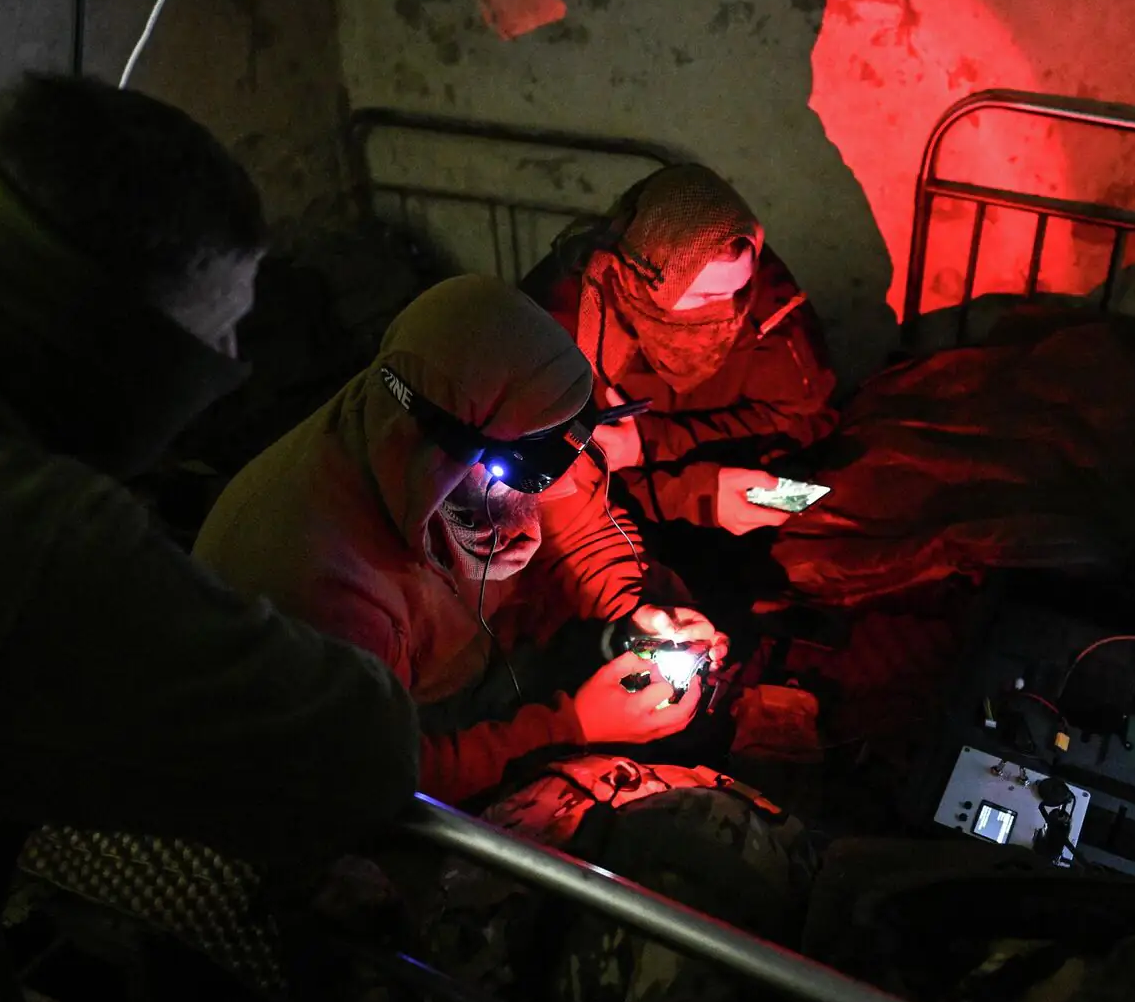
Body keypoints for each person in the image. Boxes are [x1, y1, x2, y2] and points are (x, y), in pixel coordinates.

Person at [0, 74, 428, 1002]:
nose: (234, 361)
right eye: (216, 337)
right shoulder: (6, 530)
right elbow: (353, 753)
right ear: (113, 341)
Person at [193, 274, 717, 807]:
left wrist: (631, 608)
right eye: (529, 472)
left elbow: (570, 511)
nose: (548, 487)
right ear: (442, 457)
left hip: (478, 658)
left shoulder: (472, 424)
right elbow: (391, 773)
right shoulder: (328, 594)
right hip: (395, 738)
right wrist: (572, 726)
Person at [520, 164, 839, 539]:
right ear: (644, 281)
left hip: (733, 501)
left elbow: (808, 418)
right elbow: (547, 479)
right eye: (705, 297)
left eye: (740, 290)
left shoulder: (770, 310)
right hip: (622, 514)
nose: (729, 311)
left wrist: (654, 444)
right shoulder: (571, 319)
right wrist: (693, 494)